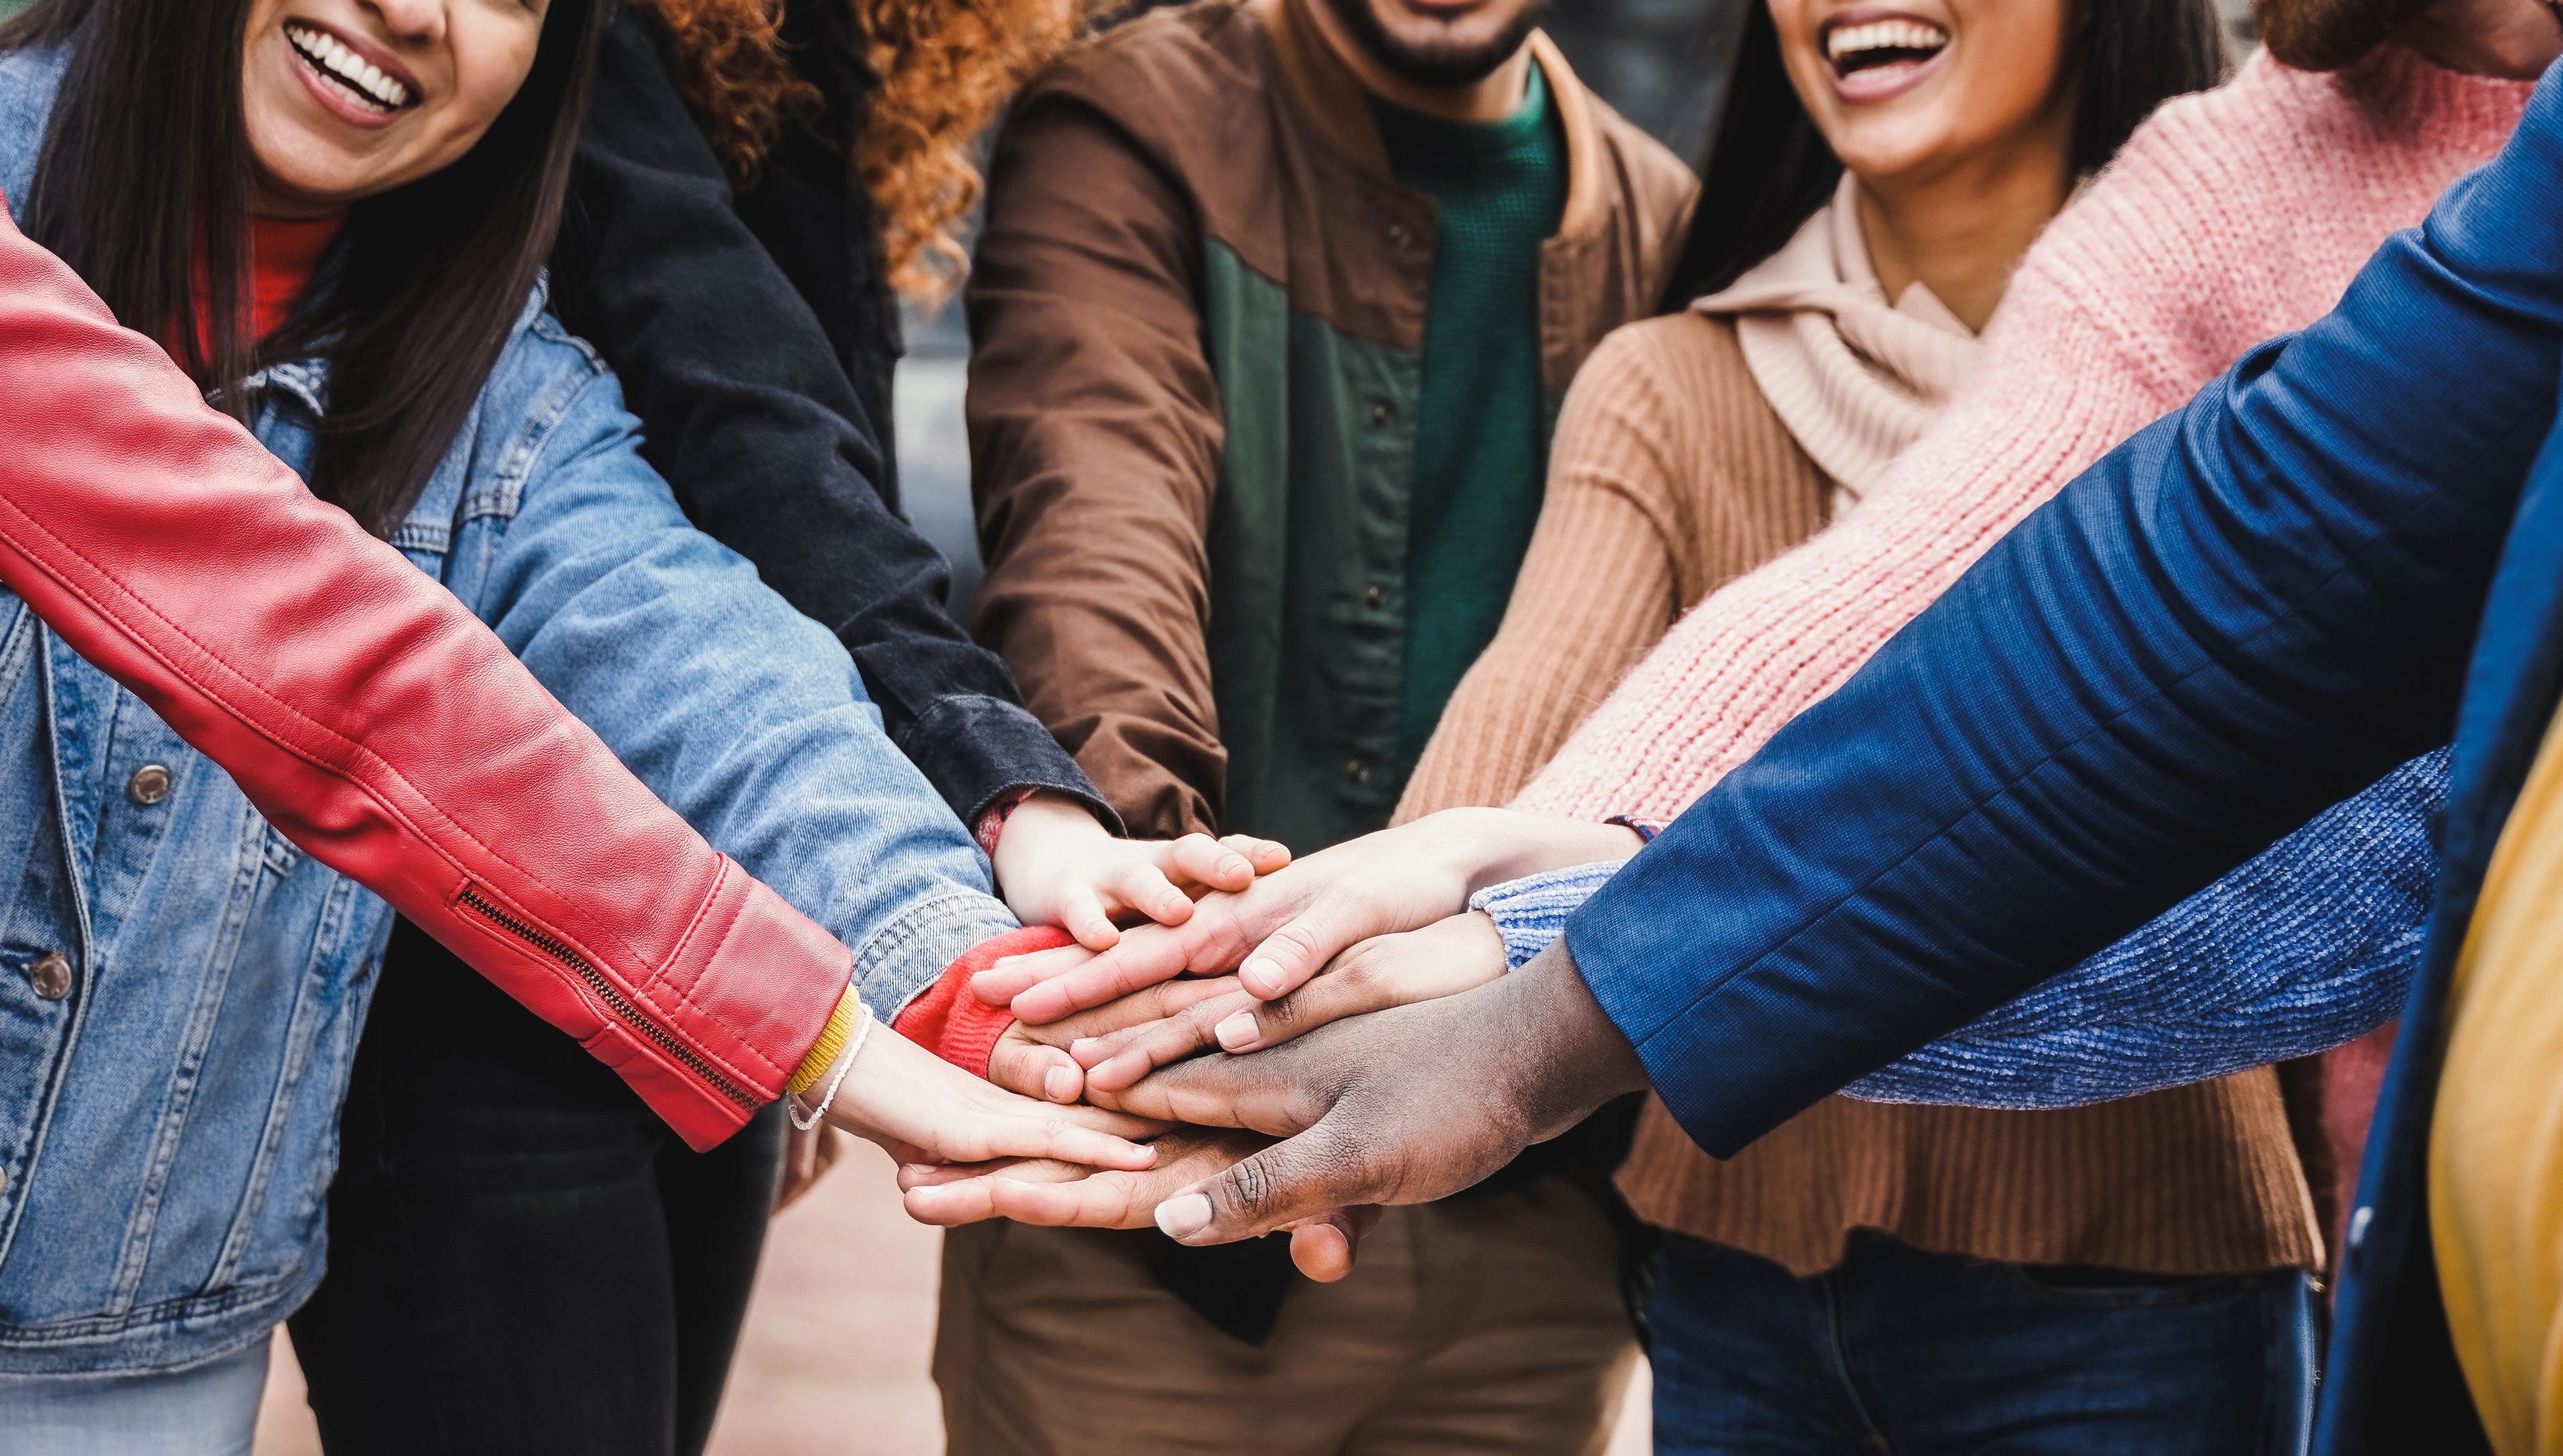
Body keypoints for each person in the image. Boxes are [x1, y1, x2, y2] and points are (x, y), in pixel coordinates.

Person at [924, 51, 2563, 1456]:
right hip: (1744, 1271)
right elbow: (1989, 617)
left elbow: (2304, 804)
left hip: (2149, 1274)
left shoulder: (2322, 221)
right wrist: (1501, 910)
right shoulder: (1730, 339)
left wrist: (1547, 973)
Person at [0, 0, 1191, 1446]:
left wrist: (976, 970)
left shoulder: (505, 390)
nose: (410, 10)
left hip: (141, 1366)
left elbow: (713, 665)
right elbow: (352, 669)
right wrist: (809, 1030)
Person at [937, 0, 1694, 1445]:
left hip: (1535, 1217)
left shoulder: (1670, 232)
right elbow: (1093, 525)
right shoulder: (1138, 122)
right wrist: (1162, 940)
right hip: (1156, 1198)